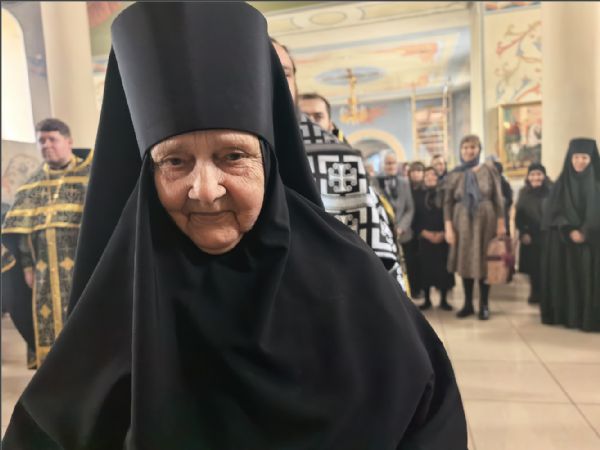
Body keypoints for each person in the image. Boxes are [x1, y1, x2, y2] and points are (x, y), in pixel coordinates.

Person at [3, 3, 467, 448]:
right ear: (149, 176)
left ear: (269, 162)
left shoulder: (352, 277)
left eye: (232, 156)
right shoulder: (116, 296)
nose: (205, 190)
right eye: (176, 161)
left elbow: (431, 413)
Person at [1, 118, 91, 368]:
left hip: (82, 270)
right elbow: (20, 233)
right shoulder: (32, 184)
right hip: (43, 276)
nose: (46, 145)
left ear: (69, 142)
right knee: (49, 332)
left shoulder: (90, 177)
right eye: (41, 140)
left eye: (53, 139)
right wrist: (27, 267)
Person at [540, 138, 600, 332]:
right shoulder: (561, 184)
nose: (580, 161)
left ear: (591, 159)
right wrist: (568, 229)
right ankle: (569, 316)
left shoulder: (597, 183)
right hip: (565, 244)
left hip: (593, 244)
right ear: (570, 158)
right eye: (576, 157)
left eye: (584, 157)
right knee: (569, 279)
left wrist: (586, 231)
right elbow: (553, 212)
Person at [444, 135, 505, 320]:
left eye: (473, 147)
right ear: (460, 150)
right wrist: (448, 228)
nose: (469, 151)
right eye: (465, 147)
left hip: (486, 220)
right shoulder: (454, 174)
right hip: (461, 221)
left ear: (479, 149)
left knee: (485, 262)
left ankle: (484, 304)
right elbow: (447, 202)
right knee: (465, 261)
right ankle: (468, 304)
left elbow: (498, 198)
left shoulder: (489, 170)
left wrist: (501, 224)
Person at [413, 167, 455, 310]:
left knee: (443, 270)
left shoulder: (445, 193)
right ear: (423, 178)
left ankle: (444, 300)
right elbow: (415, 216)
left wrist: (443, 232)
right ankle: (427, 300)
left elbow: (450, 213)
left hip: (443, 237)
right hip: (424, 238)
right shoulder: (417, 194)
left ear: (437, 177)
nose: (430, 177)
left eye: (433, 175)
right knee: (426, 270)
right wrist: (424, 232)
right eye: (427, 175)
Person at [515, 163, 552, 304]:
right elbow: (519, 215)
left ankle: (547, 294)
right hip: (530, 235)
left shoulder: (552, 190)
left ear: (544, 175)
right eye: (532, 174)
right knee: (533, 266)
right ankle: (535, 292)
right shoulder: (524, 192)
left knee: (547, 266)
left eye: (539, 174)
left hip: (547, 235)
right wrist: (523, 232)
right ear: (528, 176)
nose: (536, 177)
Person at [404, 161, 427, 298]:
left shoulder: (426, 189)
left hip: (423, 229)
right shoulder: (406, 188)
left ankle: (423, 288)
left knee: (422, 261)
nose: (416, 174)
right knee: (411, 262)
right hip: (409, 229)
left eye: (419, 171)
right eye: (413, 171)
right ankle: (413, 288)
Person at [493, 161, 514, 236]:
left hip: (502, 214)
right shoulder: (487, 182)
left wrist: (501, 201)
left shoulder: (504, 183)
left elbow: (509, 199)